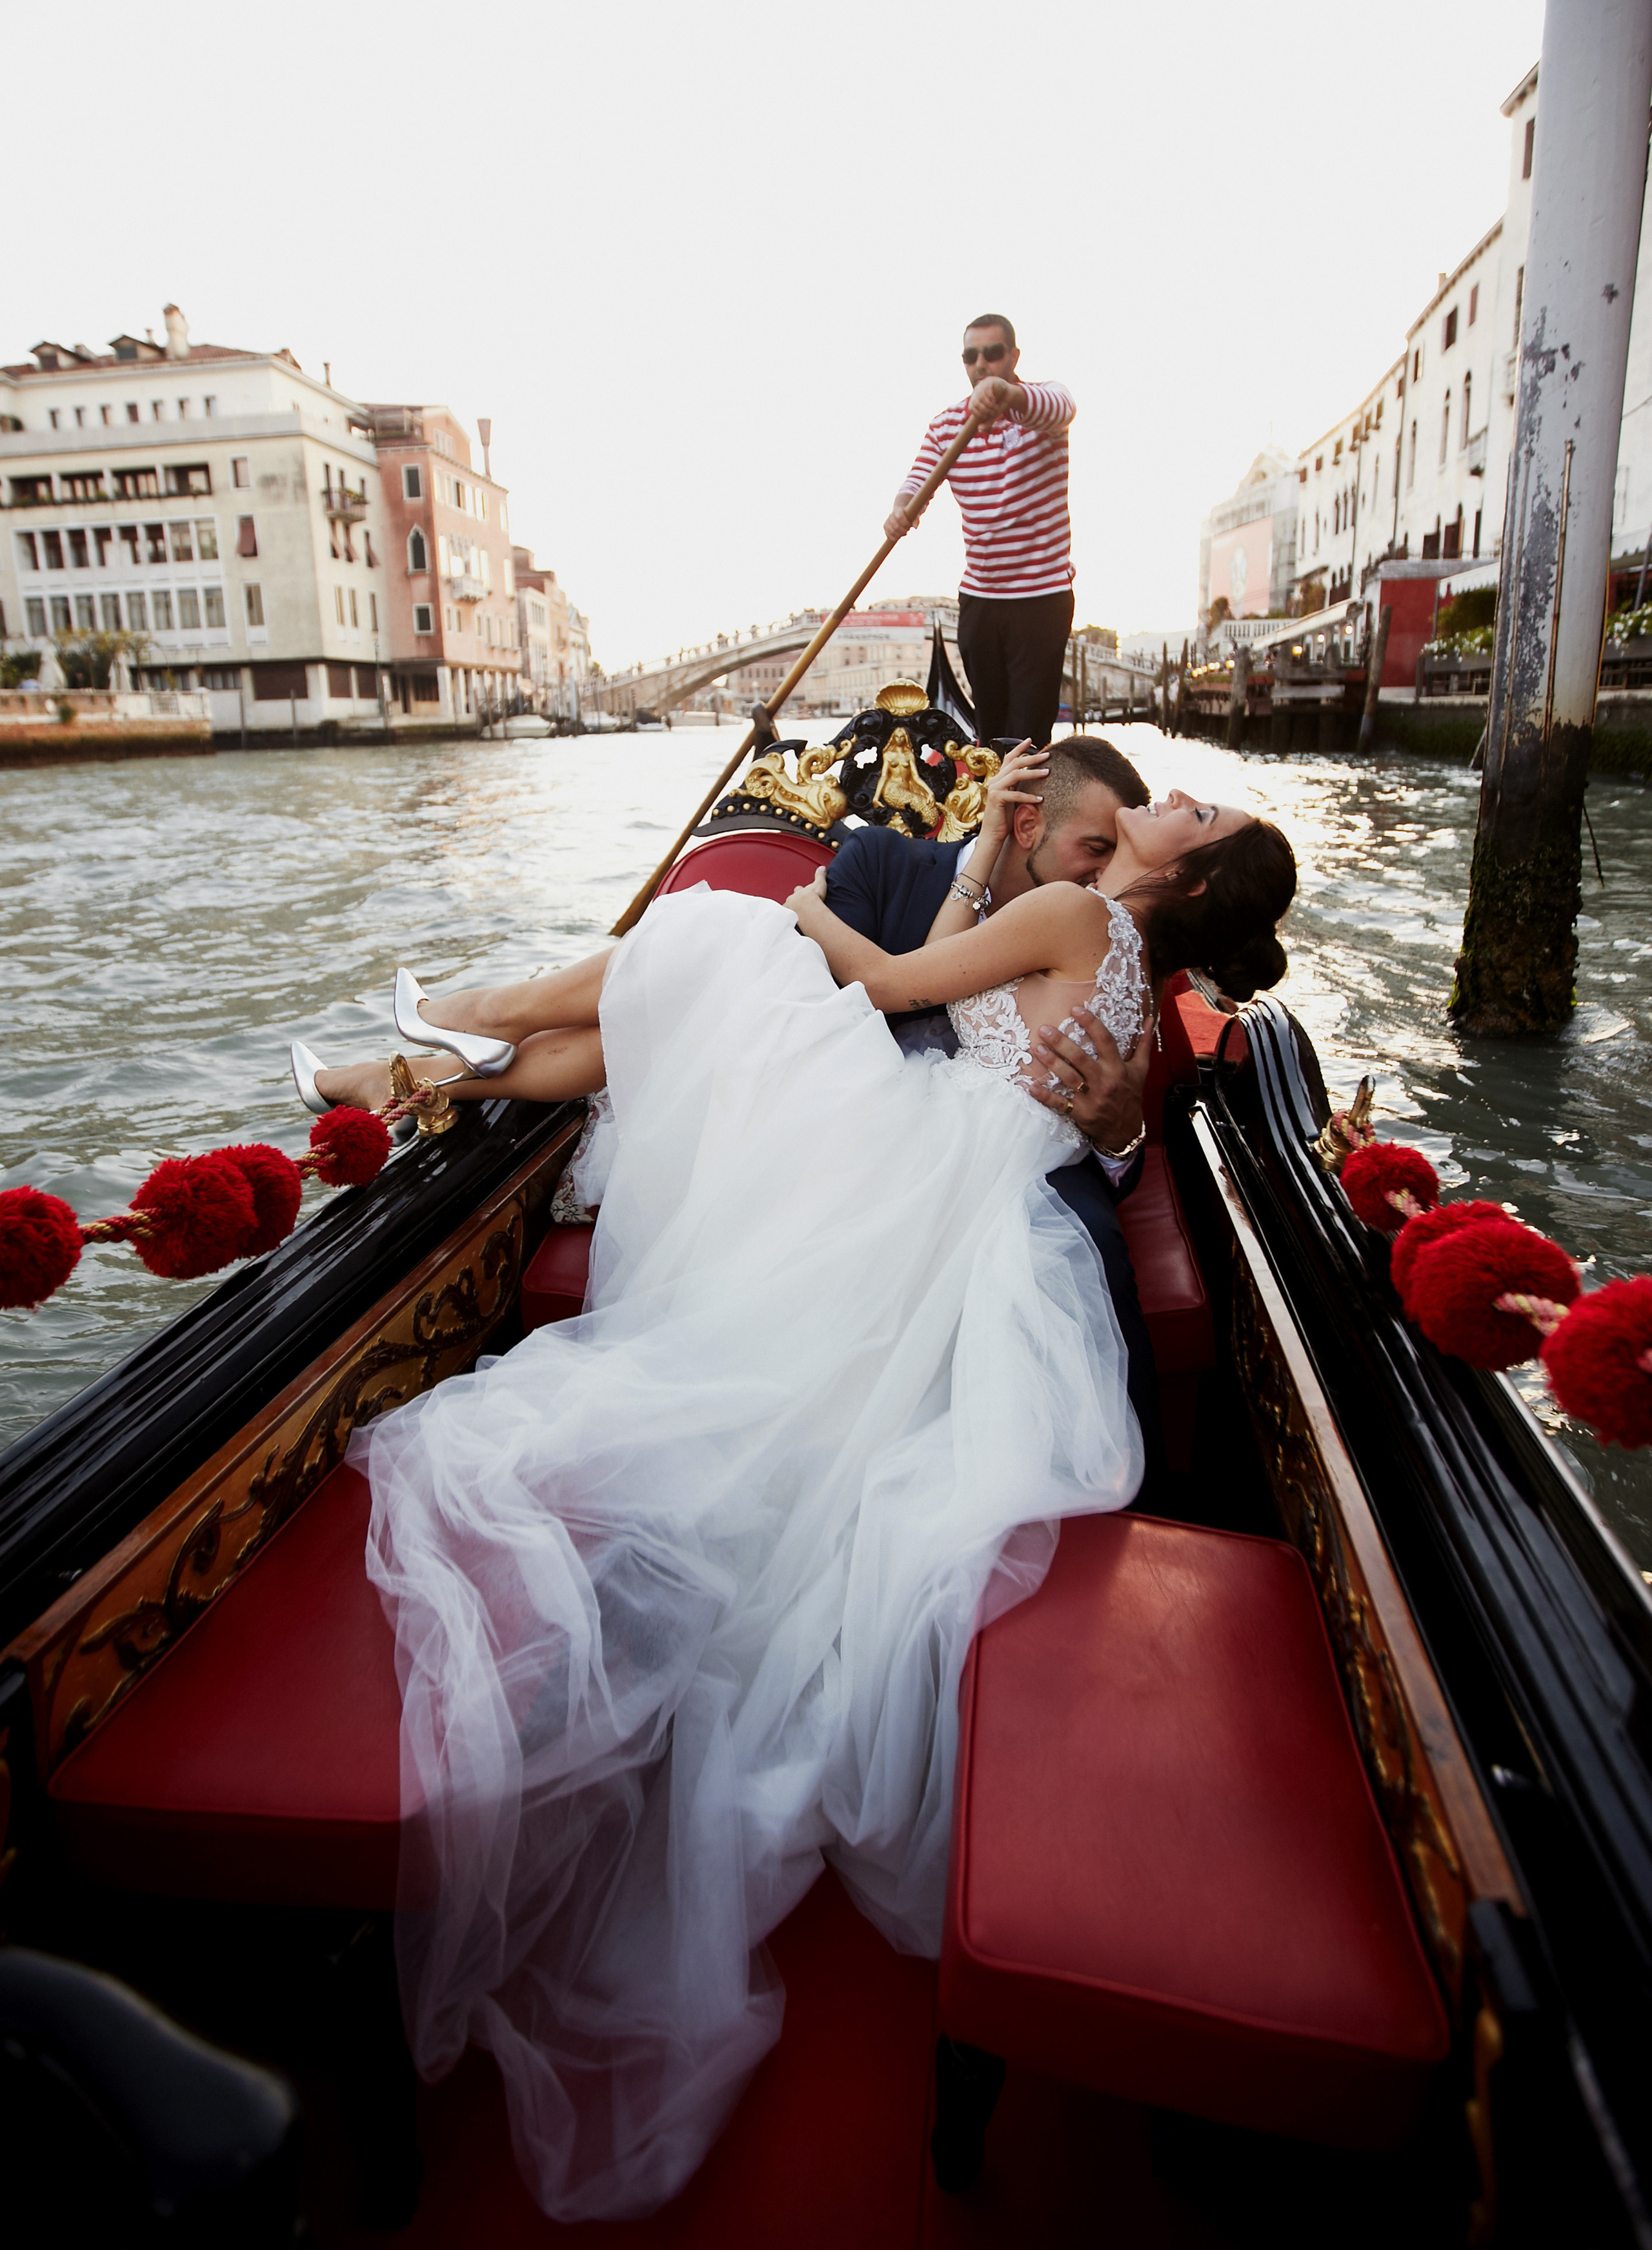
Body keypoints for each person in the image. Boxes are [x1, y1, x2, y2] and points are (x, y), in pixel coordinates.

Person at [304, 792, 1296, 2222]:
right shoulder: (1126, 966)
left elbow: (894, 987)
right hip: (963, 1194)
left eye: (1191, 812)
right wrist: (957, 874)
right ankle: (412, 1067)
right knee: (680, 1002)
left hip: (910, 1167)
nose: (1160, 802)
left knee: (712, 935)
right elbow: (1001, 1021)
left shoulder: (1078, 914)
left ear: (1183, 870)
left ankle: (451, 1023)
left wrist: (808, 912)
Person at [827, 734, 1165, 1481]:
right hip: (858, 1125)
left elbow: (1123, 1114)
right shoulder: (883, 863)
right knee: (722, 944)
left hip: (1010, 1163)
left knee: (1082, 1243)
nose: (1105, 872)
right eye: (1094, 848)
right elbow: (822, 1001)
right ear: (1024, 826)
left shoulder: (1109, 926)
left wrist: (1120, 1136)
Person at [885, 315, 1075, 747]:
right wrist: (901, 511)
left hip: (1040, 598)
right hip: (980, 599)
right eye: (972, 356)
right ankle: (992, 810)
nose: (981, 364)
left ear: (1013, 357)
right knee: (989, 732)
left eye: (992, 353)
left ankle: (1027, 810)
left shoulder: (1043, 408)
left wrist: (1005, 394)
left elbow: (1062, 406)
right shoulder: (948, 426)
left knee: (1028, 732)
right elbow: (916, 485)